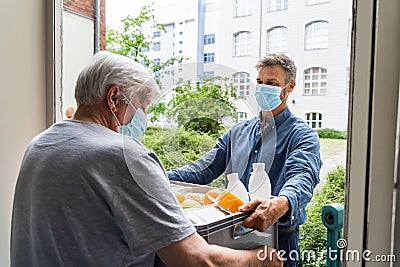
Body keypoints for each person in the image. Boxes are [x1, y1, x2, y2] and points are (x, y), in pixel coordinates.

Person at [10, 51, 283, 267]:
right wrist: (258, 259)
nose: (144, 117)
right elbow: (196, 260)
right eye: (142, 106)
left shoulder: (40, 144)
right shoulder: (123, 155)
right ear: (114, 97)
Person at [168, 53, 322, 266]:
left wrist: (281, 203)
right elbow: (203, 170)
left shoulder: (302, 135)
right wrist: (158, 176)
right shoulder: (237, 133)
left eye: (271, 83)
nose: (262, 88)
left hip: (279, 240)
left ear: (290, 87)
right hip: (233, 236)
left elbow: (303, 176)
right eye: (259, 82)